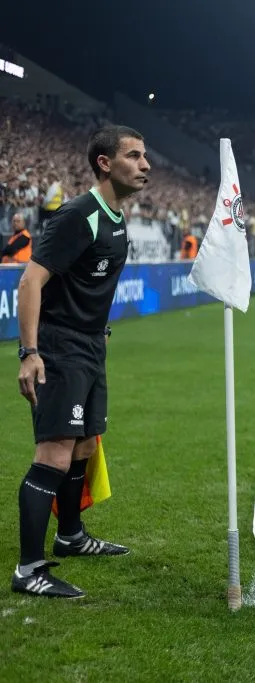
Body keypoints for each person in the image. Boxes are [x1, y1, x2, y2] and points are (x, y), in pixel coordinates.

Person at [12, 125, 150, 599]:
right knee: (53, 452)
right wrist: (30, 353)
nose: (145, 164)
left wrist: (101, 333)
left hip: (91, 344)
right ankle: (28, 569)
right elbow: (30, 283)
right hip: (60, 346)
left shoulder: (117, 216)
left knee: (86, 444)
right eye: (134, 156)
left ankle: (70, 535)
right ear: (105, 164)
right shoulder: (80, 214)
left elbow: (88, 285)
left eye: (145, 156)